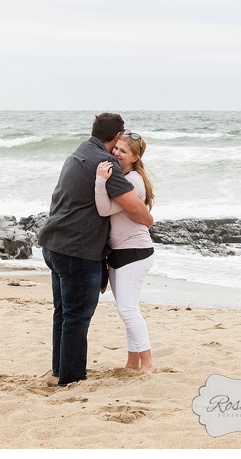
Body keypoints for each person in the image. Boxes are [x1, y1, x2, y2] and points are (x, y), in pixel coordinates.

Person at [38, 113, 153, 386]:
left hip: (53, 244)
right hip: (77, 251)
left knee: (63, 312)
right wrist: (149, 220)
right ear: (115, 137)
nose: (118, 150)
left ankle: (60, 370)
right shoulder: (105, 163)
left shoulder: (78, 153)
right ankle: (72, 378)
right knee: (77, 316)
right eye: (118, 144)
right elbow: (134, 208)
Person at [95, 130, 156, 373]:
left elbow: (104, 209)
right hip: (119, 253)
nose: (117, 153)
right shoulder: (125, 177)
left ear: (135, 158)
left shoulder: (132, 182)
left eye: (124, 151)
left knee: (127, 309)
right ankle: (132, 361)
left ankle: (148, 362)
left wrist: (100, 181)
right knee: (126, 308)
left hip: (135, 251)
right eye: (116, 148)